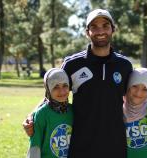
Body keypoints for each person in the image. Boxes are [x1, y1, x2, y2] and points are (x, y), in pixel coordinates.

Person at [23, 9, 133, 158]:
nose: (100, 30)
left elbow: (137, 98)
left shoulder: (124, 65)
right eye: (94, 26)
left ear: (113, 29)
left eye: (105, 25)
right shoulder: (72, 64)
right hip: (81, 145)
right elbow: (52, 94)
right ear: (87, 32)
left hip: (115, 145)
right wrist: (32, 116)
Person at [27, 68, 73, 158]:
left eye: (65, 85)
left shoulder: (73, 110)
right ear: (48, 89)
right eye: (56, 87)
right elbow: (35, 147)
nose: (62, 91)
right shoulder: (42, 114)